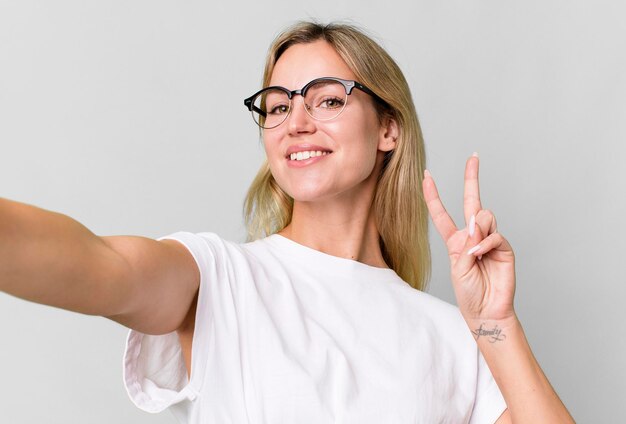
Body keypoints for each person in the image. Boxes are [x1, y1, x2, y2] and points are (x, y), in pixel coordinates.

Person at [0, 21, 574, 423]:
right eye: (277, 105)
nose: (295, 121)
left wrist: (497, 321)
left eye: (327, 99)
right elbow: (96, 264)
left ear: (388, 130)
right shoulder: (220, 279)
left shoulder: (455, 336)